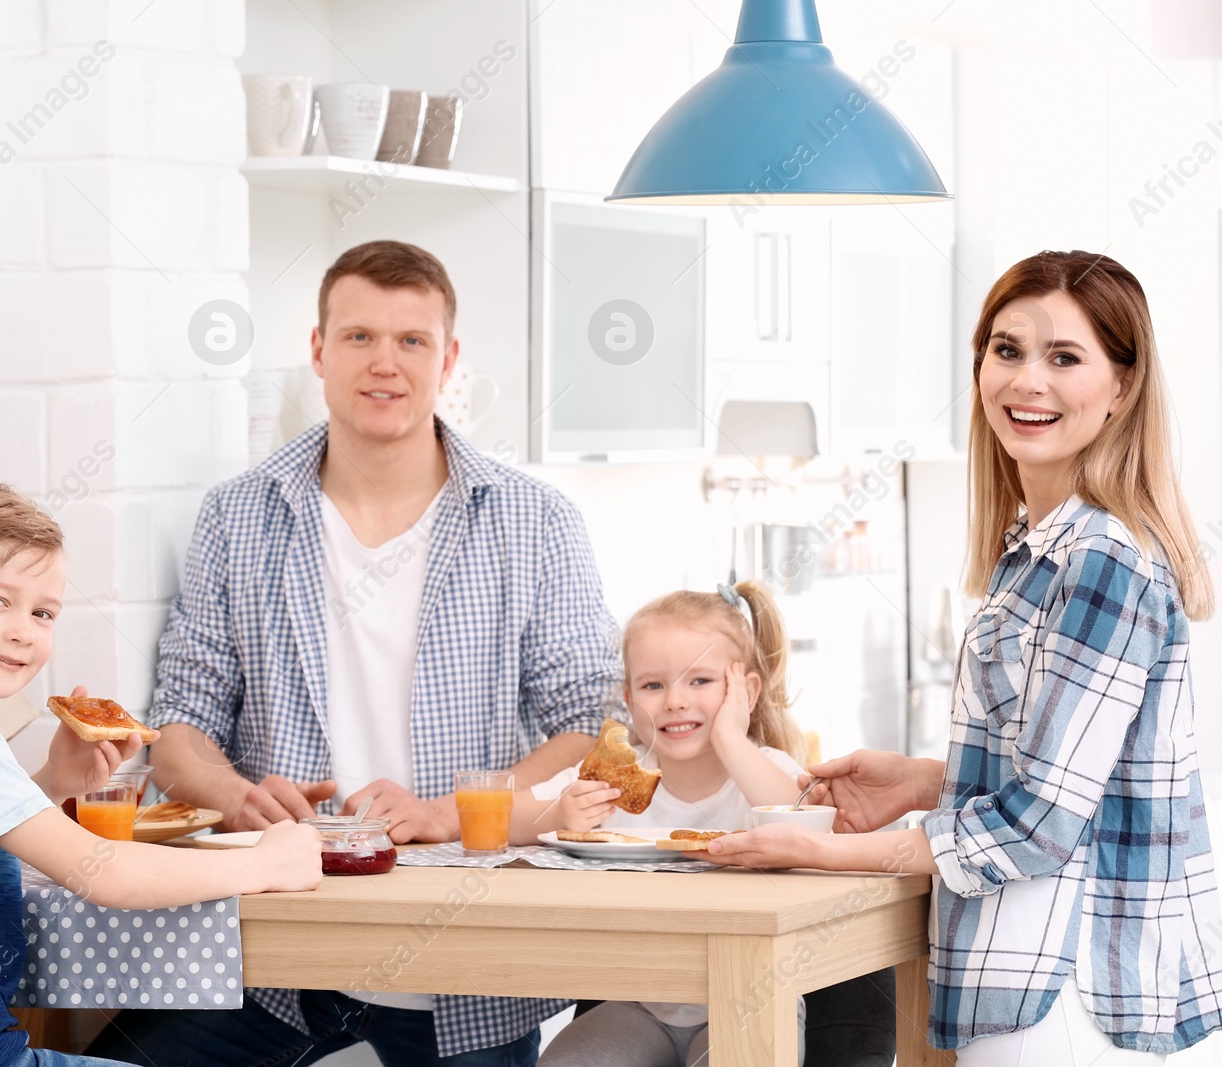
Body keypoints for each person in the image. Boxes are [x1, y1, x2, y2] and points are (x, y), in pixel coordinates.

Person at [85, 240, 623, 1065]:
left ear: (448, 360)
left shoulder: (534, 520)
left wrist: (449, 811)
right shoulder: (237, 517)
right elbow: (180, 723)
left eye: (412, 341)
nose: (385, 363)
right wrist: (233, 796)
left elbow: (592, 728)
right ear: (318, 350)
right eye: (360, 336)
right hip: (271, 950)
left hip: (464, 959)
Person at [707, 251, 1222, 1064]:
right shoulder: (1036, 549)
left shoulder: (1101, 560)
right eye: (1007, 349)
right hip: (1041, 980)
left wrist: (823, 850)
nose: (1027, 381)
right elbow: (1066, 771)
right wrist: (922, 779)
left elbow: (1042, 821)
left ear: (1122, 385)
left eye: (1065, 358)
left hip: (1069, 989)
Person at [0, 483, 322, 1067]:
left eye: (43, 612)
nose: (24, 630)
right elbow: (105, 876)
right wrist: (266, 863)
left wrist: (54, 782)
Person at [514, 582, 809, 1065]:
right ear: (630, 701)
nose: (675, 700)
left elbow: (803, 828)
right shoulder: (614, 775)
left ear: (745, 691)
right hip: (637, 1001)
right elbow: (505, 819)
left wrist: (732, 736)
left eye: (700, 682)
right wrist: (560, 813)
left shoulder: (765, 771)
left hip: (750, 998)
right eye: (653, 685)